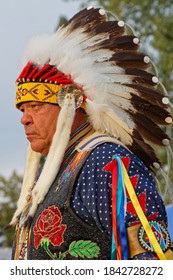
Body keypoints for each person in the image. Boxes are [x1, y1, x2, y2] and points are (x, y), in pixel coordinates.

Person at [9, 6, 173, 260]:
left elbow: (151, 264)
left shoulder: (108, 163)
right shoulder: (51, 174)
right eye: (22, 109)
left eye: (35, 106)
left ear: (70, 105)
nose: (25, 119)